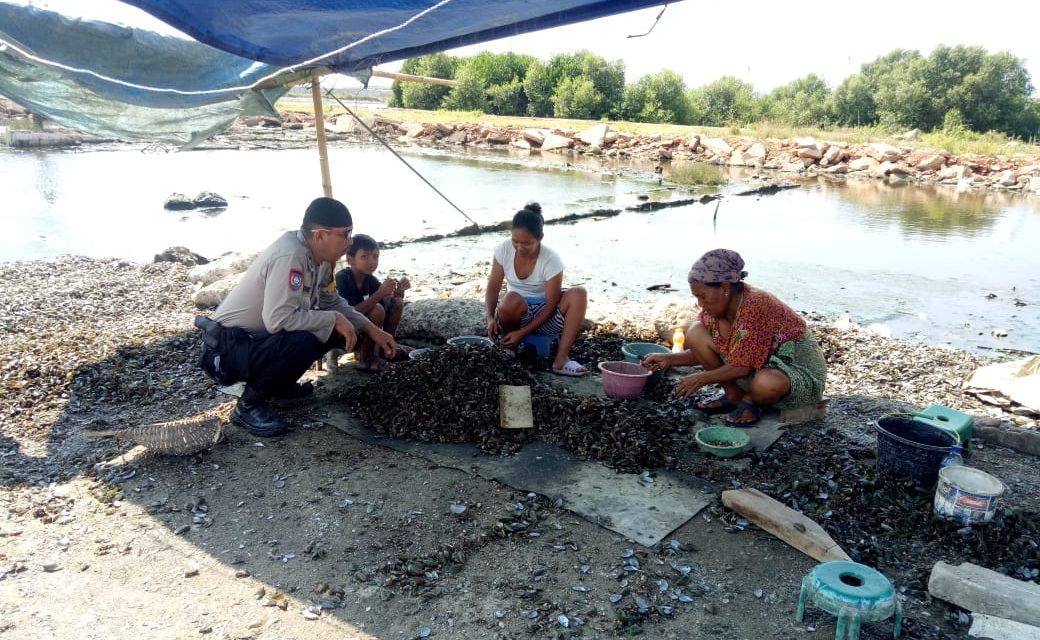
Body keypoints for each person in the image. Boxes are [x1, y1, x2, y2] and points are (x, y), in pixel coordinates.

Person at [197, 197, 397, 437]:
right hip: (227, 350)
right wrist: (334, 318)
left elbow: (329, 300)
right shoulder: (291, 255)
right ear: (320, 235)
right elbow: (278, 319)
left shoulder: (321, 259)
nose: (350, 241)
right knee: (306, 337)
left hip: (256, 342)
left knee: (331, 329)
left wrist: (371, 328)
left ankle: (278, 387)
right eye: (345, 234)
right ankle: (249, 405)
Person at [642, 248, 826, 426]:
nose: (700, 304)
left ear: (724, 287)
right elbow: (706, 352)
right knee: (695, 332)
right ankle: (734, 396)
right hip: (757, 366)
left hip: (796, 371)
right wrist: (669, 359)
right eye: (696, 297)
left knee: (765, 383)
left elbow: (742, 367)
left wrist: (701, 378)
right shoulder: (714, 310)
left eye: (703, 296)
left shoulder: (756, 304)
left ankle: (751, 401)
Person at [485, 202, 588, 376]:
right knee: (510, 298)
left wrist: (523, 333)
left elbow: (550, 307)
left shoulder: (551, 259)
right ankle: (509, 347)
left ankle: (561, 360)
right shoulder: (503, 249)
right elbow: (493, 286)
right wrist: (489, 318)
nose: (519, 247)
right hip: (515, 314)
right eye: (515, 241)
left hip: (547, 317)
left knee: (579, 293)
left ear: (540, 238)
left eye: (526, 243)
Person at [334, 234, 410, 372]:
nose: (372, 261)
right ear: (350, 259)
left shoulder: (370, 280)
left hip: (360, 327)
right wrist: (379, 293)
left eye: (375, 256)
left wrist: (399, 292)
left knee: (397, 303)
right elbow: (346, 314)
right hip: (342, 329)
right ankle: (365, 359)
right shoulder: (342, 280)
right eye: (365, 256)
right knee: (376, 310)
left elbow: (389, 304)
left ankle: (386, 351)